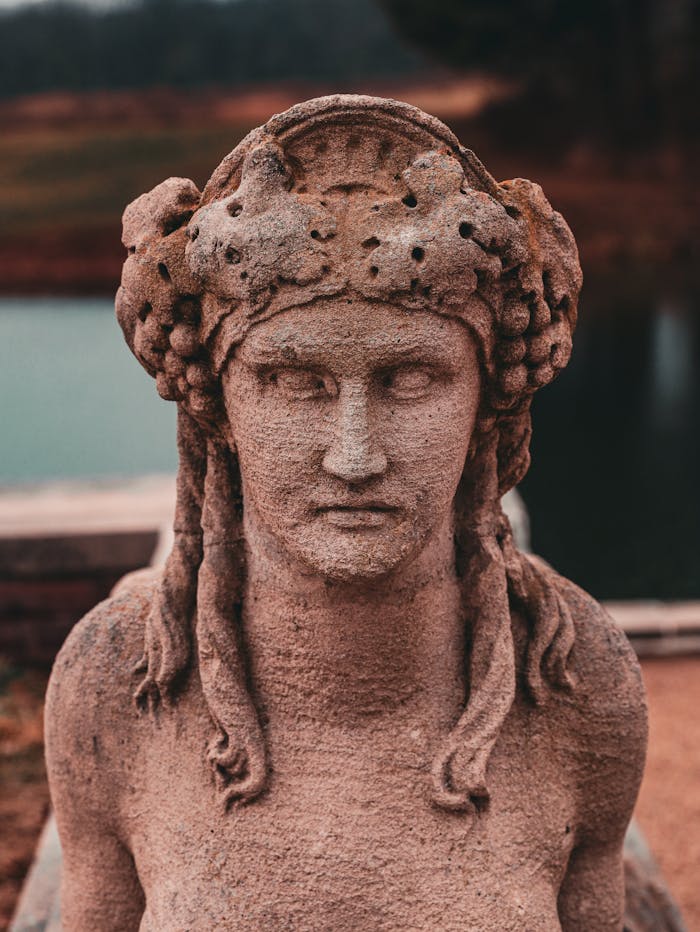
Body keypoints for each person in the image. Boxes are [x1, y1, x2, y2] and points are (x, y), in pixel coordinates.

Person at [46, 96, 647, 931]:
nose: (355, 457)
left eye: (411, 379)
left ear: (485, 402)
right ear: (218, 406)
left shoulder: (578, 681)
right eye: (297, 383)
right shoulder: (115, 686)